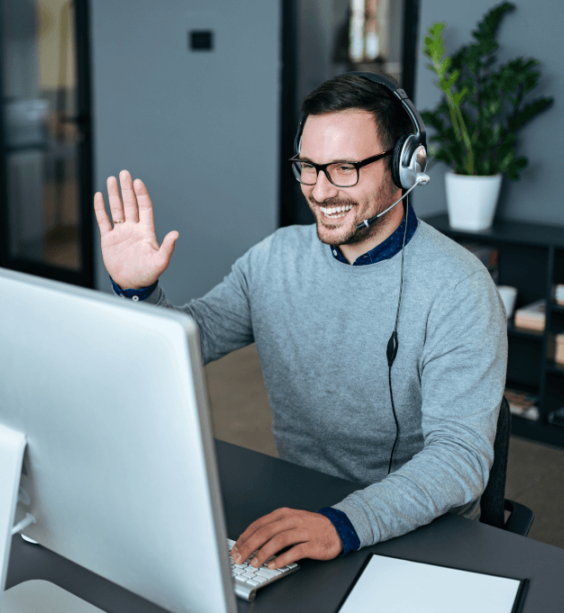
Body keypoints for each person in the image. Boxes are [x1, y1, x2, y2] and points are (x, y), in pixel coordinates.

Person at [93, 73, 506, 571]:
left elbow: (459, 458)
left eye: (345, 168)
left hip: (418, 527)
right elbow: (186, 341)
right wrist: (138, 291)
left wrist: (342, 523)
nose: (321, 190)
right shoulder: (275, 259)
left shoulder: (459, 286)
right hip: (298, 506)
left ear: (405, 165)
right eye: (308, 167)